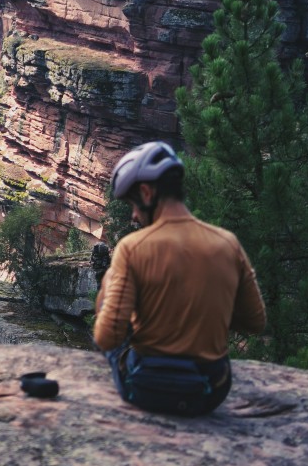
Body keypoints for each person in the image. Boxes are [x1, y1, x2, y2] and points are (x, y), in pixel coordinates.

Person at [92, 141, 266, 415]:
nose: (134, 216)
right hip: (210, 391)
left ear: (147, 193)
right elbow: (255, 321)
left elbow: (107, 337)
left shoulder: (133, 247)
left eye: (133, 205)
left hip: (148, 388)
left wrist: (112, 287)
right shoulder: (228, 243)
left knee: (110, 283)